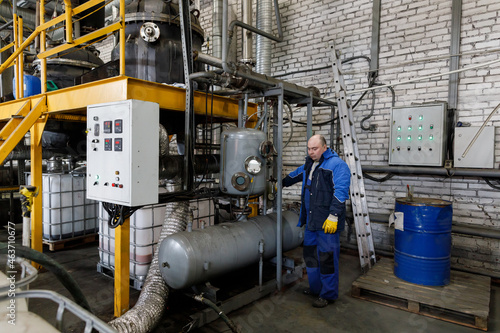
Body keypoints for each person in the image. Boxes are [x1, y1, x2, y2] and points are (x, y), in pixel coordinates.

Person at [282, 134, 350, 308]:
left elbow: (341, 192)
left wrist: (333, 216)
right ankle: (315, 289)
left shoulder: (337, 165)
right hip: (311, 221)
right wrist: (279, 183)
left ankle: (328, 295)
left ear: (324, 147)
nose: (311, 152)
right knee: (311, 257)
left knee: (327, 259)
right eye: (309, 149)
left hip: (327, 223)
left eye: (315, 149)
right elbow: (296, 175)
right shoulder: (309, 164)